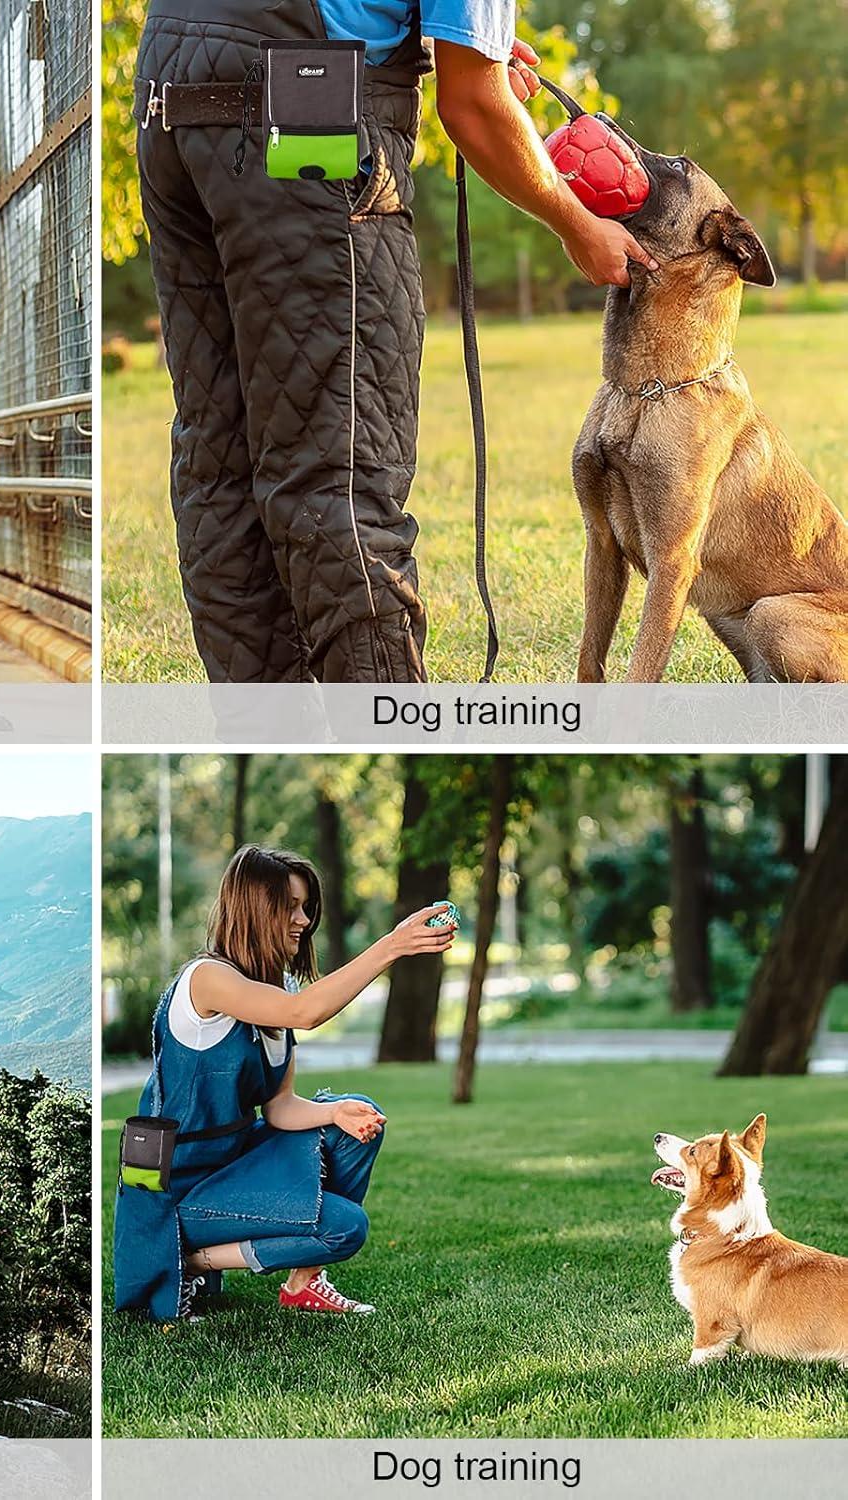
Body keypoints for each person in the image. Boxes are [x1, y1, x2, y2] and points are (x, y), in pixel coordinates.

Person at [133, 0, 659, 683]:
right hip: (306, 113)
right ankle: (388, 727)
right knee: (339, 471)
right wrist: (576, 222)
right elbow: (472, 105)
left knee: (218, 461)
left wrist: (475, 39)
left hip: (168, 102)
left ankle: (276, 738)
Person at [113, 845, 456, 1321]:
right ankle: (186, 1259)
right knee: (346, 1228)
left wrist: (335, 1113)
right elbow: (306, 1012)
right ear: (255, 910)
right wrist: (392, 945)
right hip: (174, 1189)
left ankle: (304, 1282)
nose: (304, 919)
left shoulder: (274, 994)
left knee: (354, 1118)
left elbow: (279, 1107)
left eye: (305, 907)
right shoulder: (207, 980)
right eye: (290, 907)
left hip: (231, 1165)